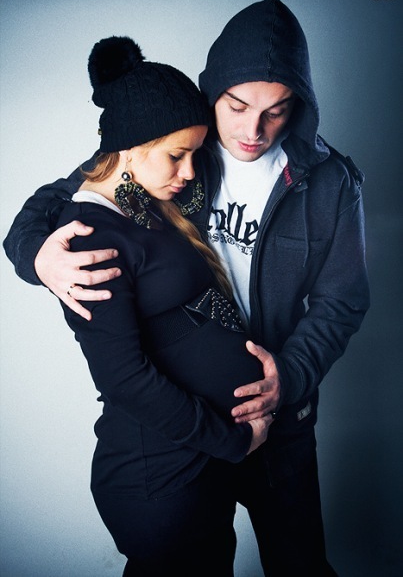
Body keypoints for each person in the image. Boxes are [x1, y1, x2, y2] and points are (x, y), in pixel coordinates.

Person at [3, 0, 370, 576]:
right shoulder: (170, 141)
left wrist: (290, 376)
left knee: (299, 564)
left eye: (276, 110)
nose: (253, 130)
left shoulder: (331, 182)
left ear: (299, 105)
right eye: (238, 106)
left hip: (278, 418)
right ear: (212, 91)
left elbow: (342, 301)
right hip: (185, 428)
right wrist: (38, 258)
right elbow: (61, 200)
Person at [5, 35, 273, 576]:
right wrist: (233, 440)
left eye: (195, 154)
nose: (191, 172)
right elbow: (124, 378)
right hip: (161, 478)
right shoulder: (86, 241)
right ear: (129, 148)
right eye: (177, 155)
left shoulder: (144, 205)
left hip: (198, 464)